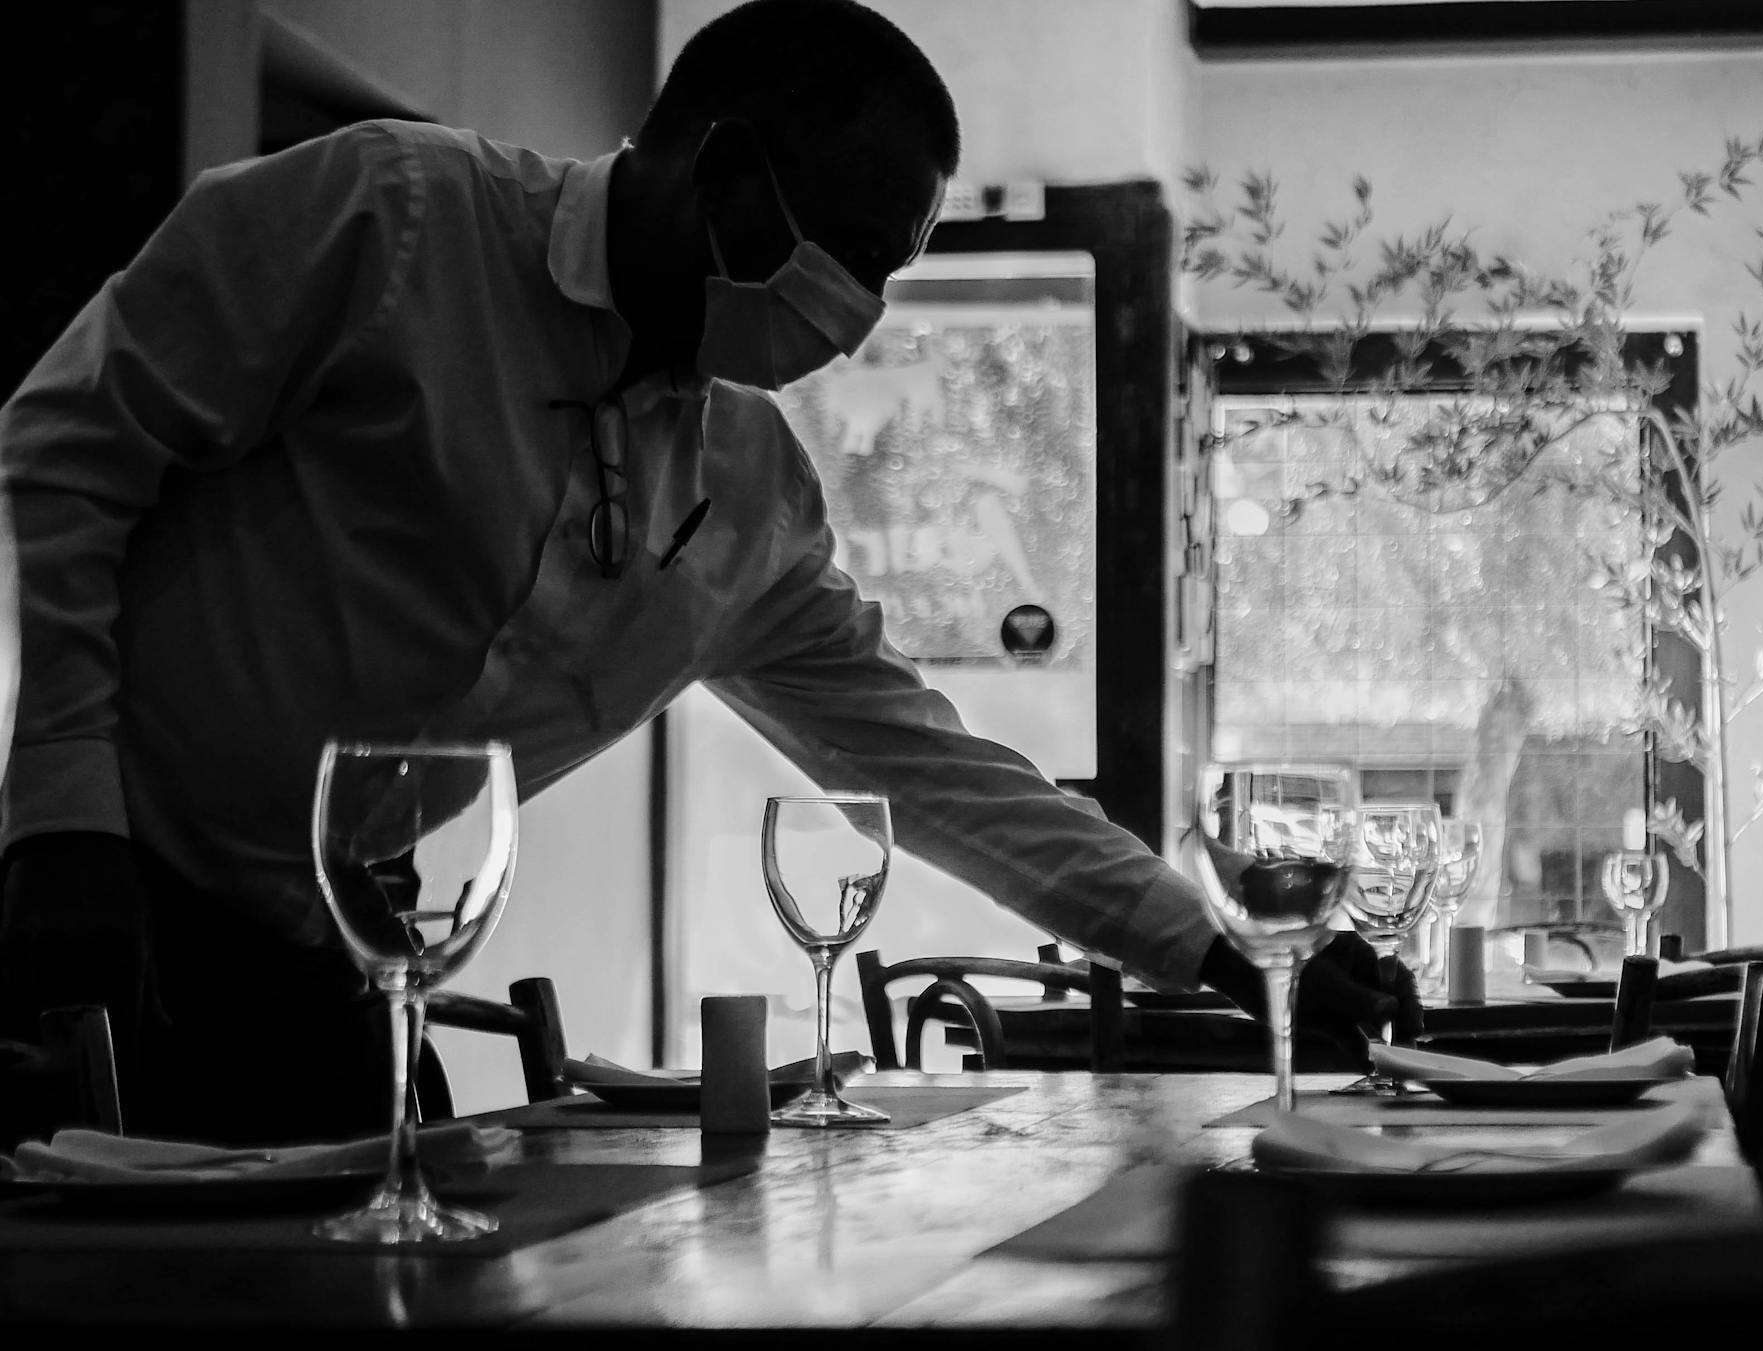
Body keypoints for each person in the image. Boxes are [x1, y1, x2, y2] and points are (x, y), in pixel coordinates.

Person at [0, 0, 1387, 1145]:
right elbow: (68, 441)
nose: (857, 319)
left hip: (329, 952)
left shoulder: (752, 493)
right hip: (79, 900)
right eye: (853, 257)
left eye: (889, 278)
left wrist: (1216, 948)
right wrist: (60, 803)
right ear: (722, 172)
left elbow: (933, 770)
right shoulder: (390, 218)